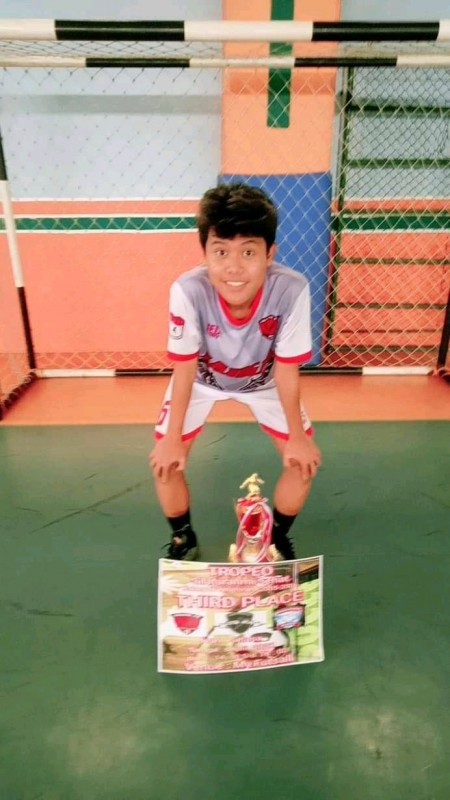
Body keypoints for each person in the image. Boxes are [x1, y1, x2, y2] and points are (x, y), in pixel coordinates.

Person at [149, 182, 322, 561]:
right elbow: (184, 367)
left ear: (269, 253)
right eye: (221, 251)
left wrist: (297, 437)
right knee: (164, 463)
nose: (234, 267)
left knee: (302, 463)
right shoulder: (188, 290)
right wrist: (172, 438)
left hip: (265, 381)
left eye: (248, 251)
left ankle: (275, 537)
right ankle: (182, 537)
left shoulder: (291, 289)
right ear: (205, 254)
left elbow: (287, 369)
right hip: (200, 380)